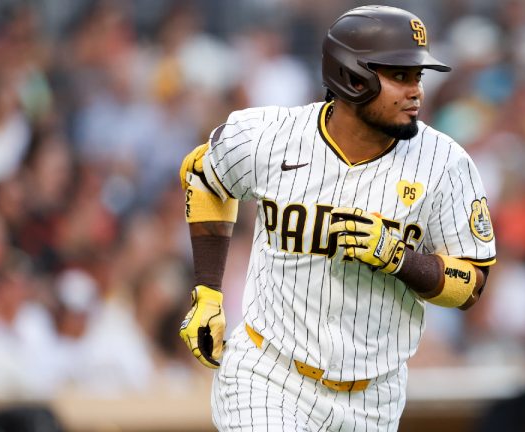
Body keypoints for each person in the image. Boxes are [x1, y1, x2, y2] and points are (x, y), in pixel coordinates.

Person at [178, 5, 496, 431]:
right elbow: (204, 175)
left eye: (417, 77)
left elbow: (472, 284)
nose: (415, 91)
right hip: (268, 375)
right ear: (352, 76)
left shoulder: (445, 165)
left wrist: (399, 258)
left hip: (373, 397)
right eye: (399, 76)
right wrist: (208, 295)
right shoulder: (272, 136)